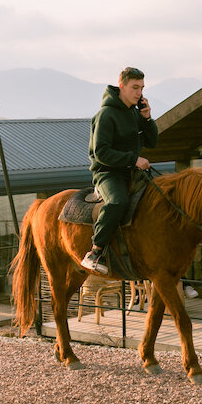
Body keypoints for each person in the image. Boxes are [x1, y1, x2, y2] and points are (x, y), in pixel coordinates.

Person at [81, 67, 158, 274]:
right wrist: (133, 159)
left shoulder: (134, 113)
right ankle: (94, 253)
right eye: (134, 87)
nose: (139, 93)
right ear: (121, 85)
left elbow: (152, 141)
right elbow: (101, 153)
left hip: (131, 172)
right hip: (107, 174)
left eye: (141, 88)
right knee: (118, 202)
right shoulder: (106, 115)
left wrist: (147, 118)